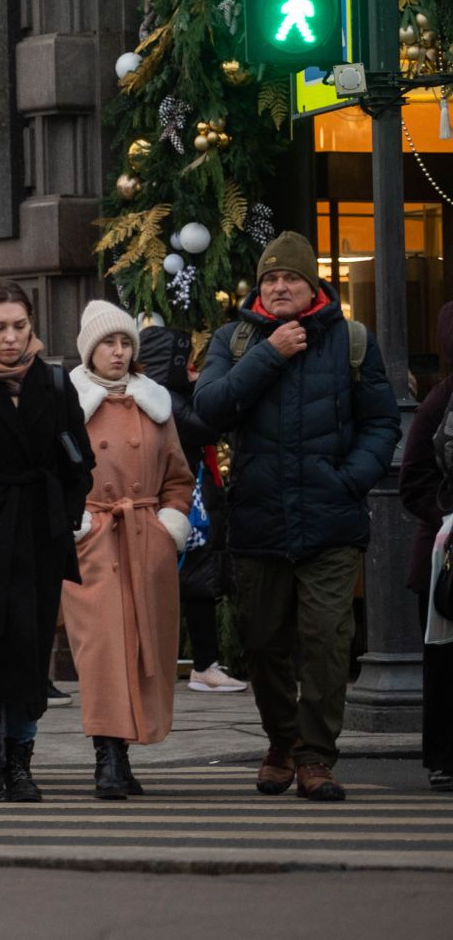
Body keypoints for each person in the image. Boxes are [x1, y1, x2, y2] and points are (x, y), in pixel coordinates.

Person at [194, 232, 401, 802]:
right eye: (269, 279)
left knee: (328, 640)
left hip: (329, 521)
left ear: (314, 286)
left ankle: (315, 757)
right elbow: (208, 409)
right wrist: (270, 352)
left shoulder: (352, 340)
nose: (279, 286)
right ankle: (281, 743)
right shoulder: (234, 340)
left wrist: (349, 479)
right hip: (259, 522)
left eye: (291, 278)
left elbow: (382, 423)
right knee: (262, 643)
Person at [0, 282, 93, 802]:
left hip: (36, 532)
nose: (10, 338)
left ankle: (21, 760)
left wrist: (66, 517)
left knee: (31, 653)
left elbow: (79, 461)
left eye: (19, 326)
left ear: (32, 326)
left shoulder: (53, 381)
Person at [66, 300, 195, 800]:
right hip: (93, 536)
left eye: (125, 343)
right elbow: (54, 473)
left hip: (145, 538)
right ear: (89, 350)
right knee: (102, 648)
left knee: (144, 647)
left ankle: (125, 751)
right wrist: (77, 525)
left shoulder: (155, 403)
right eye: (108, 343)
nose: (118, 353)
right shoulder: (69, 403)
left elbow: (179, 478)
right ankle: (108, 756)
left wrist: (169, 527)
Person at [138, 326, 247, 694]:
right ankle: (200, 666)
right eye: (187, 363)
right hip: (183, 507)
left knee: (198, 586)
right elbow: (207, 428)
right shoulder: (165, 400)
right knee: (193, 585)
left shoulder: (166, 396)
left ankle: (201, 665)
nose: (194, 369)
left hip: (192, 504)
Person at [398, 300, 453, 791]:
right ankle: (444, 757)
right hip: (446, 558)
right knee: (444, 661)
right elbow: (412, 479)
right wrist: (448, 519)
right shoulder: (440, 402)